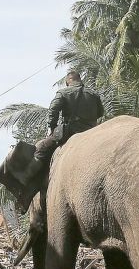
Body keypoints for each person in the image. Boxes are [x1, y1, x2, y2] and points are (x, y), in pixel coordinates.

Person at [14, 71, 103, 211]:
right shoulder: (93, 94)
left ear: (68, 81)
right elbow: (100, 113)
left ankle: (26, 193)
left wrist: (52, 127)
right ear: (80, 80)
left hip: (70, 132)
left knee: (41, 149)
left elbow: (53, 111)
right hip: (93, 132)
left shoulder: (63, 92)